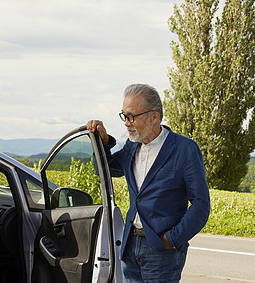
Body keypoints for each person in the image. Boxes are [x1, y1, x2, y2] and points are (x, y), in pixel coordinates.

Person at [87, 84, 210, 282]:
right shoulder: (132, 145)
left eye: (131, 116)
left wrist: (172, 240)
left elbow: (201, 204)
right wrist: (101, 142)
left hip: (162, 250)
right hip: (130, 247)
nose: (126, 123)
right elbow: (106, 170)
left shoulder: (184, 149)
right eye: (124, 116)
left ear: (154, 117)